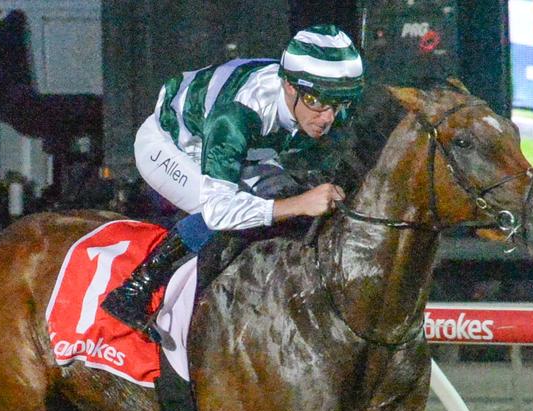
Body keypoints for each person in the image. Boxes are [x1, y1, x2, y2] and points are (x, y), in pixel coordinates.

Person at [101, 24, 364, 341]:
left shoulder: (324, 108)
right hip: (169, 146)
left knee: (285, 203)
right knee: (235, 217)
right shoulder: (239, 115)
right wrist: (300, 203)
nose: (327, 117)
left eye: (337, 104)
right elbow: (219, 212)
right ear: (290, 87)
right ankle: (136, 288)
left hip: (245, 150)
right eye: (317, 102)